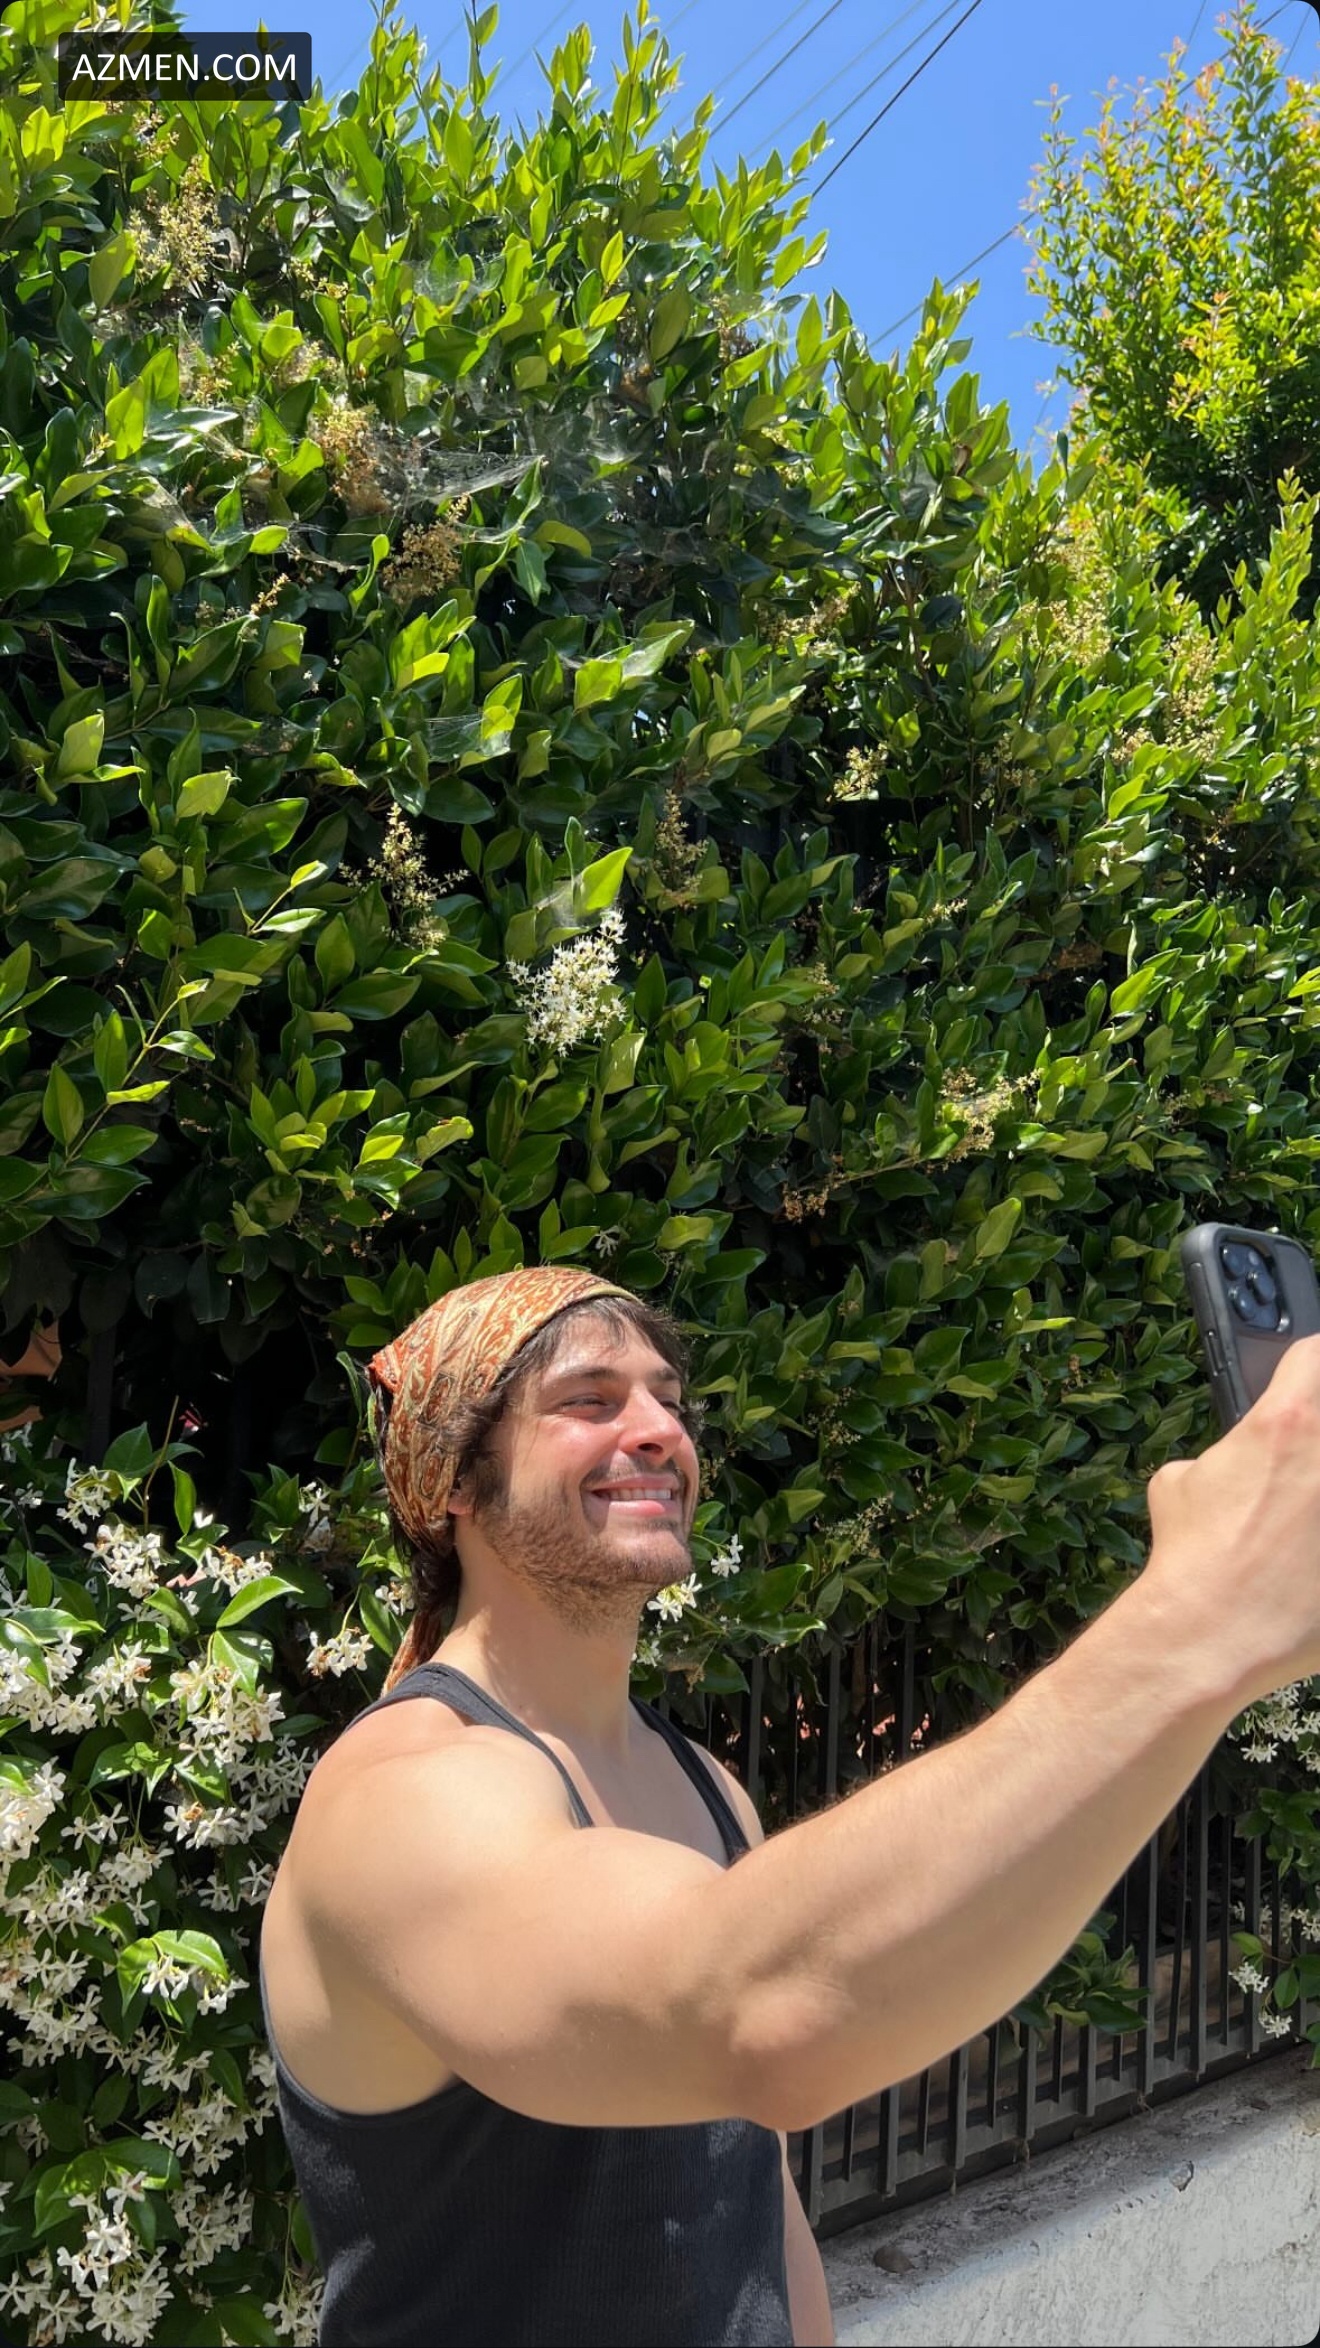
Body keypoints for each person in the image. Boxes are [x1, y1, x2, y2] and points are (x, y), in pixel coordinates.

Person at [259, 1264, 1320, 2347]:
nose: (658, 1430)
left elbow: (759, 2204)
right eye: (589, 1399)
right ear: (454, 1478)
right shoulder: (405, 1795)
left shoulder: (702, 1784)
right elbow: (760, 2019)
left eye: (670, 1398)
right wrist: (1199, 1618)